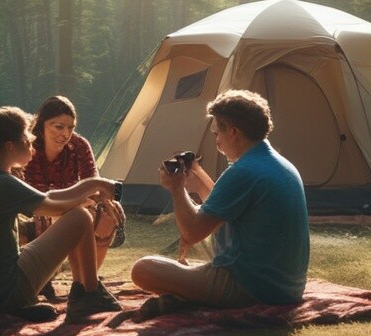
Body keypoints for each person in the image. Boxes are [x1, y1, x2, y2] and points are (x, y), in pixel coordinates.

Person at [129, 90, 309, 319]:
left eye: (217, 134)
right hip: (286, 287)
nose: (217, 144)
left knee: (143, 269)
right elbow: (221, 208)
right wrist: (196, 178)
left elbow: (192, 232)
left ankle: (188, 297)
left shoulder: (243, 171)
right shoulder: (278, 164)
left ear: (233, 132)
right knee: (185, 265)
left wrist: (177, 188)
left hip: (251, 287)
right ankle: (187, 293)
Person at [0, 106, 127, 322]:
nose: (32, 138)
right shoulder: (2, 183)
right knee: (80, 217)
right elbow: (57, 207)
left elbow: (48, 196)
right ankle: (89, 294)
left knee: (76, 213)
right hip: (1, 294)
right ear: (9, 146)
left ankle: (82, 292)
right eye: (26, 135)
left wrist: (95, 185)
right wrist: (93, 189)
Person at [19, 95, 120, 300]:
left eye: (70, 127)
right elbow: (24, 193)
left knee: (108, 211)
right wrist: (71, 201)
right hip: (35, 209)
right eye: (58, 127)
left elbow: (93, 182)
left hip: (74, 206)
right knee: (46, 217)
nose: (65, 134)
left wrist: (98, 199)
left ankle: (83, 282)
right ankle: (39, 280)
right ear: (42, 124)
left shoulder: (79, 145)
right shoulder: (28, 147)